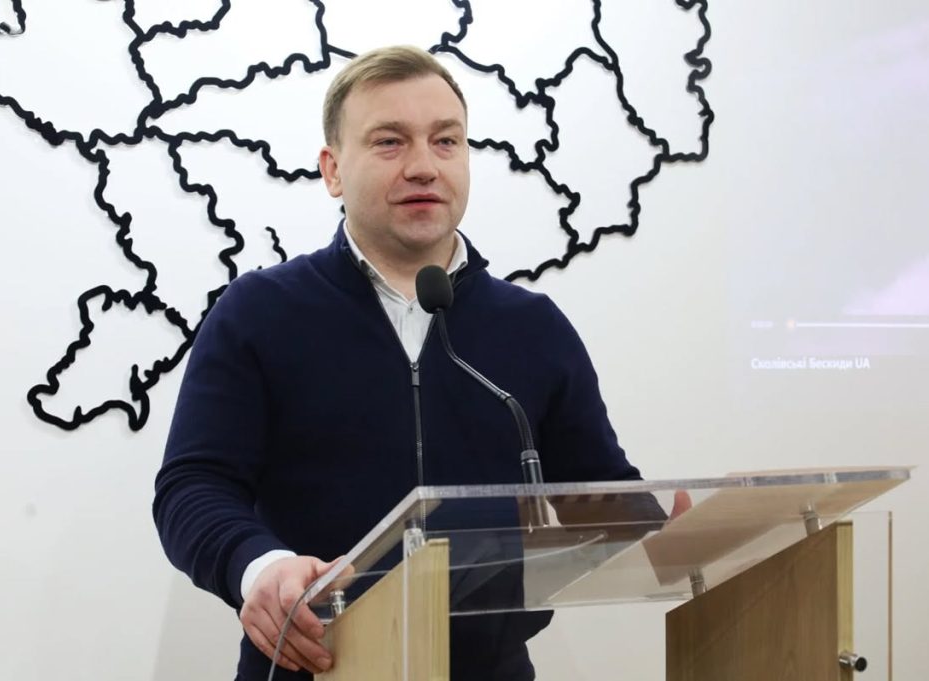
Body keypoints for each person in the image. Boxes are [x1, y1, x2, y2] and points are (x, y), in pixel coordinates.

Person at [154, 45, 664, 680]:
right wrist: (260, 566)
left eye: (446, 141)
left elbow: (597, 494)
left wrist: (683, 530)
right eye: (390, 142)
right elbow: (193, 487)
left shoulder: (533, 326)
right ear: (333, 170)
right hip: (315, 663)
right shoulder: (260, 311)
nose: (424, 166)